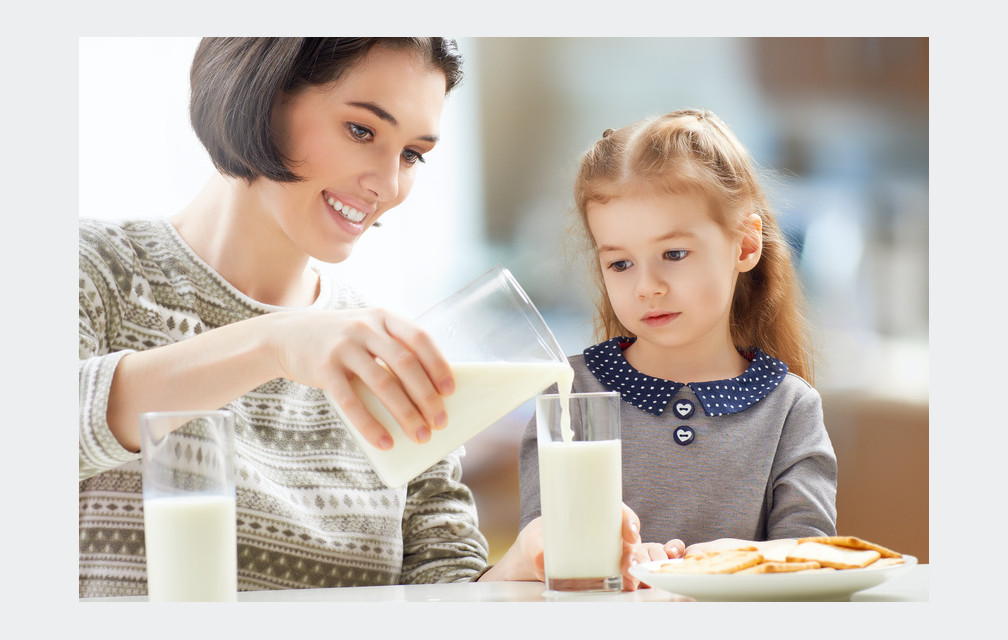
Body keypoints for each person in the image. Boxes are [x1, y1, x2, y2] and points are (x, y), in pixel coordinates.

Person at [80, 37, 647, 598]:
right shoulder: (92, 272)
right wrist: (274, 343)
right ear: (259, 97)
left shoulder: (382, 352)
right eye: (361, 131)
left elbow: (439, 583)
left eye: (412, 154)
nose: (389, 183)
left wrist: (516, 570)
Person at [517, 108, 838, 570]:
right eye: (620, 263)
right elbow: (541, 549)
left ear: (746, 245)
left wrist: (741, 558)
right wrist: (611, 557)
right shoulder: (570, 394)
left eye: (673, 253)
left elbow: (810, 557)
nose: (646, 286)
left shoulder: (791, 408)